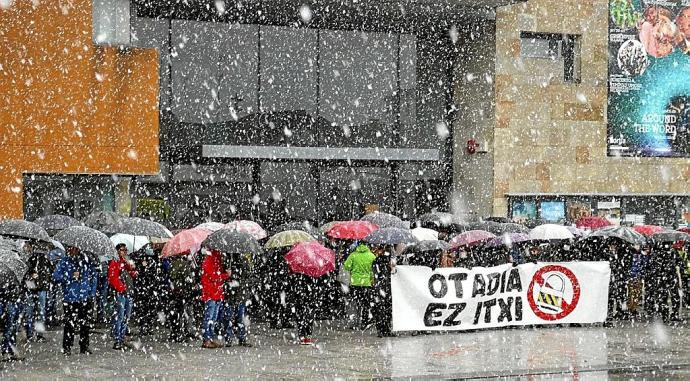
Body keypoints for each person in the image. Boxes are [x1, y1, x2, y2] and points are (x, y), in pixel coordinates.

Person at [53, 246, 94, 356]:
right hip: (70, 298)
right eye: (71, 249)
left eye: (76, 249)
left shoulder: (86, 261)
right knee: (69, 324)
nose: (73, 251)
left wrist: (91, 292)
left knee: (84, 324)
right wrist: (70, 276)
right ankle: (67, 347)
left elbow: (93, 276)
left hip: (84, 297)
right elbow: (56, 276)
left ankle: (84, 346)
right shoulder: (64, 261)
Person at [108, 243, 138, 350]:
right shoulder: (115, 262)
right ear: (117, 251)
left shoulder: (126, 262)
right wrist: (122, 288)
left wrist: (133, 269)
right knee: (120, 317)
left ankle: (122, 337)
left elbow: (133, 275)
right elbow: (112, 278)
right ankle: (117, 340)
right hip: (121, 294)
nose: (125, 252)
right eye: (122, 250)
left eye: (126, 250)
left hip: (128, 292)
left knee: (126, 317)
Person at [200, 248, 230, 349]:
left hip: (215, 292)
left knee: (212, 317)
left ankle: (210, 338)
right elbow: (214, 277)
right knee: (210, 317)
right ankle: (207, 339)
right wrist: (226, 275)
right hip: (212, 293)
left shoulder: (215, 260)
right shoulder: (210, 260)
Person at [221, 252, 252, 347]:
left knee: (239, 317)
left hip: (239, 294)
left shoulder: (243, 261)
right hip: (231, 295)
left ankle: (239, 337)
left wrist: (239, 282)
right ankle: (230, 338)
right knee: (230, 317)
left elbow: (249, 277)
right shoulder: (226, 261)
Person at [23, 241, 51, 342]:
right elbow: (50, 271)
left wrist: (32, 277)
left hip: (33, 287)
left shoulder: (30, 258)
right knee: (40, 312)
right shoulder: (44, 258)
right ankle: (37, 335)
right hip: (39, 288)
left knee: (31, 312)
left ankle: (30, 335)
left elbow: (24, 272)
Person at [343, 243, 376, 329]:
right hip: (366, 283)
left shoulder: (353, 255)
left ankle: (355, 322)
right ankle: (364, 323)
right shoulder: (371, 256)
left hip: (355, 283)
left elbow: (346, 266)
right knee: (366, 304)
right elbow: (373, 269)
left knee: (355, 303)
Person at [167, 255, 196, 342]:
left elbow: (171, 277)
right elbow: (189, 278)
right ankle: (181, 332)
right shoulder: (184, 264)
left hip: (175, 291)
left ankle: (175, 333)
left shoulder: (172, 264)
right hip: (183, 291)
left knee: (176, 313)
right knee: (183, 312)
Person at [0, 261, 23, 361]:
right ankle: (6, 350)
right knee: (9, 327)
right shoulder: (4, 270)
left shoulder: (9, 269)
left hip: (14, 300)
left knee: (12, 327)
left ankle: (11, 349)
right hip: (8, 301)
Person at [372, 246, 395, 338]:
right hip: (385, 288)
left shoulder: (379, 261)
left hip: (383, 288)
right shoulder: (378, 261)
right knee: (384, 309)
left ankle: (383, 329)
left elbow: (375, 274)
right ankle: (384, 329)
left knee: (383, 309)